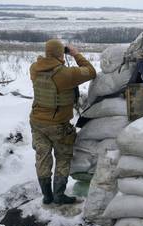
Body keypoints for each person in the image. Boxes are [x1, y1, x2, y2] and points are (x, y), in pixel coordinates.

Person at [30, 39, 96, 205]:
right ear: (61, 53)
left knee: (42, 159)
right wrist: (75, 54)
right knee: (63, 158)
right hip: (58, 125)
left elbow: (44, 64)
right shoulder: (66, 74)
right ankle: (59, 195)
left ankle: (47, 196)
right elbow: (91, 71)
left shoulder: (34, 69)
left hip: (37, 123)